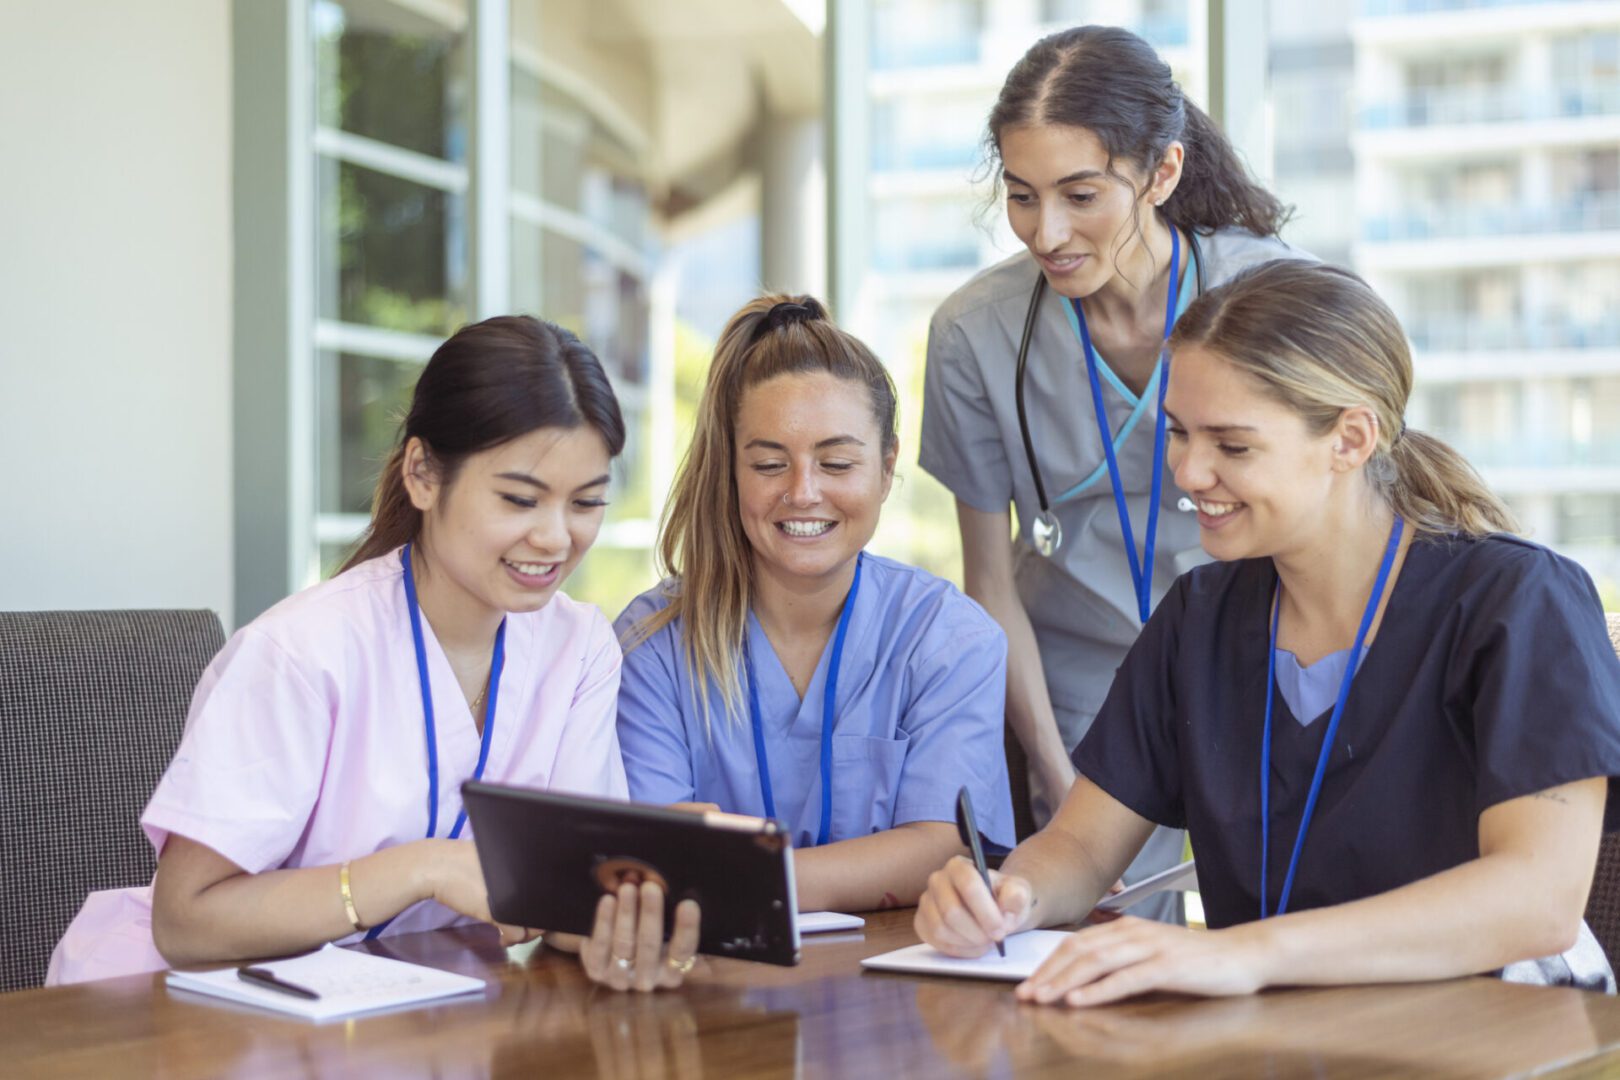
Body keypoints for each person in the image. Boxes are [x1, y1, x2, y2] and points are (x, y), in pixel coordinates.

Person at [915, 260, 1620, 1002]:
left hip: (1501, 1025)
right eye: (1180, 434)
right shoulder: (1201, 615)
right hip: (1273, 1029)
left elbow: (1537, 902)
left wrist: (1249, 954)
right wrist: (1008, 896)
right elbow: (1083, 846)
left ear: (1350, 439)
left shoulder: (1520, 600)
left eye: (1232, 445)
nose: (1188, 471)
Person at [48, 315, 632, 984]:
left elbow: (568, 895)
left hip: (416, 1012)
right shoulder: (300, 652)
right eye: (520, 499)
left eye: (586, 503)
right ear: (423, 474)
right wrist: (422, 869)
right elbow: (186, 922)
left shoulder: (581, 648)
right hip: (202, 1007)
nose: (557, 538)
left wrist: (643, 894)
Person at [920, 24, 1314, 919]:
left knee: (1282, 956)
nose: (1046, 233)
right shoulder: (974, 337)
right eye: (1021, 197)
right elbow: (990, 580)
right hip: (1073, 694)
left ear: (1162, 173)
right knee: (1083, 977)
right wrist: (1059, 774)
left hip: (1256, 665)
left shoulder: (1269, 298)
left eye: (1081, 195)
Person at [580, 295, 1015, 993]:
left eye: (837, 463)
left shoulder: (949, 639)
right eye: (769, 463)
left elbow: (940, 850)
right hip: (705, 1000)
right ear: (731, 467)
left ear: (887, 466)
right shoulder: (652, 643)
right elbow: (653, 865)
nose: (803, 493)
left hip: (900, 1005)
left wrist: (738, 871)